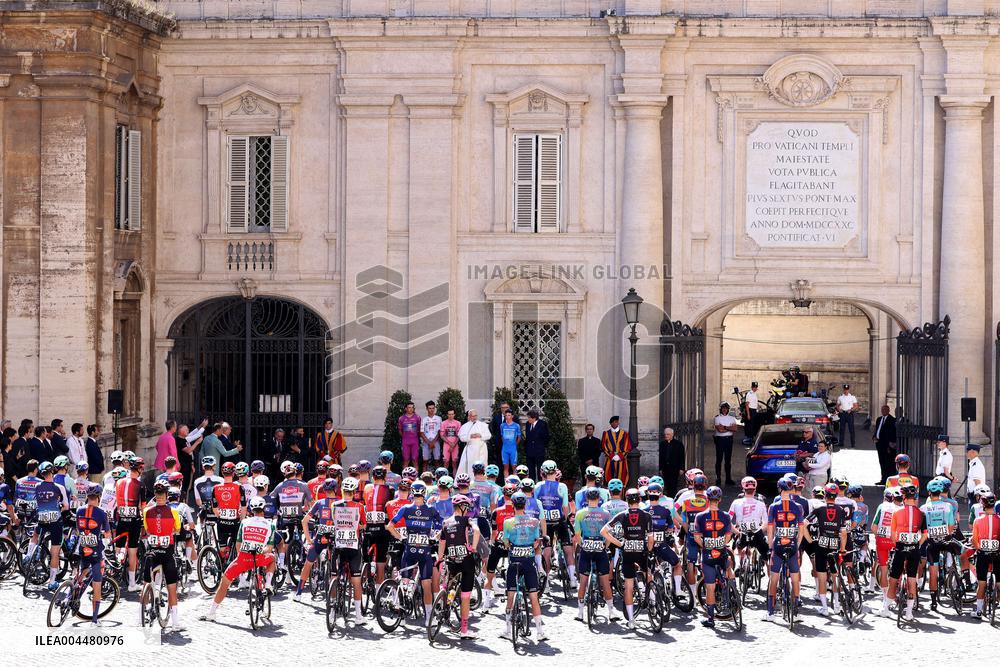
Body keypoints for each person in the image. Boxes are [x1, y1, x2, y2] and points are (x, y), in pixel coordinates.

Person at [200, 495, 276, 622]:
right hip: (259, 558)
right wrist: (261, 550)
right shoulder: (270, 525)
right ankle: (268, 585)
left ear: (251, 509)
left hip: (243, 559)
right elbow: (269, 547)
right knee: (272, 558)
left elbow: (238, 546)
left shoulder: (244, 522)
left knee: (224, 583)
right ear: (264, 509)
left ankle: (211, 612)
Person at [388, 481, 443, 625]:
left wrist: (401, 537)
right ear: (424, 493)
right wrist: (434, 538)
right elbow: (443, 526)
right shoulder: (430, 509)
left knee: (405, 582)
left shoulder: (406, 508)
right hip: (424, 552)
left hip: (409, 550)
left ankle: (401, 610)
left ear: (412, 492)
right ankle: (429, 617)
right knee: (426, 585)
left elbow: (389, 526)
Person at [602, 487, 653, 629]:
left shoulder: (622, 515)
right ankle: (654, 601)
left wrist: (619, 544)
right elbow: (650, 538)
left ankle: (631, 620)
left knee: (628, 586)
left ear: (627, 501)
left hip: (628, 552)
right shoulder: (647, 515)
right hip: (642, 551)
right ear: (640, 500)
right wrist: (649, 549)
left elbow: (604, 531)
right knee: (649, 574)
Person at [501, 492, 547, 641]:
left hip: (514, 561)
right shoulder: (534, 522)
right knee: (534, 597)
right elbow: (536, 542)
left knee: (510, 596)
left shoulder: (508, 522)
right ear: (526, 505)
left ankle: (508, 630)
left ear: (513, 505)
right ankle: (540, 632)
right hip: (529, 562)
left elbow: (506, 542)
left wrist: (511, 546)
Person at [142, 480, 184, 632]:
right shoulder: (173, 512)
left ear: (155, 495)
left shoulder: (147, 511)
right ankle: (175, 622)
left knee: (146, 582)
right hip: (167, 553)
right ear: (166, 495)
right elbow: (178, 529)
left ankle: (143, 612)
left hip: (152, 552)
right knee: (172, 587)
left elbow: (146, 530)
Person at [437, 494, 480, 639]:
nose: (467, 511)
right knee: (465, 596)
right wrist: (473, 547)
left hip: (451, 560)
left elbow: (442, 543)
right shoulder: (466, 519)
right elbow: (476, 531)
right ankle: (464, 630)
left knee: (449, 585)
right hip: (466, 562)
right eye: (467, 508)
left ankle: (445, 600)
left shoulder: (445, 522)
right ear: (462, 507)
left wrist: (439, 558)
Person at [763, 477, 806, 622]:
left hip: (778, 545)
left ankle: (770, 613)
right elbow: (801, 529)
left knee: (773, 578)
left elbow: (770, 529)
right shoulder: (798, 507)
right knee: (795, 579)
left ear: (780, 490)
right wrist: (798, 545)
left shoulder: (773, 507)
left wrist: (770, 547)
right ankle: (796, 610)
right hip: (793, 545)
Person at [803, 483, 850, 616]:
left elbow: (804, 524)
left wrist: (810, 540)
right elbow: (844, 532)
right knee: (835, 577)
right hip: (835, 545)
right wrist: (842, 549)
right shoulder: (841, 510)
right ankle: (836, 605)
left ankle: (824, 608)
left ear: (825, 494)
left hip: (821, 545)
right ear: (835, 496)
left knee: (822, 577)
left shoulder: (819, 508)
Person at [692, 485, 734, 628]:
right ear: (720, 499)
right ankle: (731, 591)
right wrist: (719, 543)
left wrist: (707, 545)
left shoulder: (700, 516)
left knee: (710, 587)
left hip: (708, 556)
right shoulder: (726, 516)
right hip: (721, 553)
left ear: (707, 499)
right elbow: (728, 537)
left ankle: (710, 619)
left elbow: (697, 538)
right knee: (729, 565)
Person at [573, 487, 618, 622]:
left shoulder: (580, 513)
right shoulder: (605, 513)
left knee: (583, 581)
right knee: (605, 581)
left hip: (586, 548)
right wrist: (605, 546)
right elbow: (609, 534)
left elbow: (577, 534)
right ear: (599, 499)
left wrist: (582, 545)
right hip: (600, 548)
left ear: (586, 499)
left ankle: (580, 612)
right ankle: (611, 611)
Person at [886, 484, 926, 620]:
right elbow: (925, 535)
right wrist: (917, 544)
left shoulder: (896, 512)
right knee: (912, 579)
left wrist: (896, 545)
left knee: (893, 578)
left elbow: (893, 534)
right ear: (914, 497)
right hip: (914, 548)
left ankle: (886, 608)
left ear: (903, 496)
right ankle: (909, 612)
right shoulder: (921, 514)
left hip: (900, 547)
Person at [75, 483, 112, 626]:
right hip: (96, 552)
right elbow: (107, 533)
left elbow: (78, 530)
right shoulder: (102, 513)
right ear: (99, 497)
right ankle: (94, 620)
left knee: (81, 574)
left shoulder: (79, 510)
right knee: (97, 585)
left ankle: (71, 594)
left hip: (83, 549)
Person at [920, 478, 958, 611]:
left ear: (929, 492)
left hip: (932, 543)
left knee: (933, 571)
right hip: (946, 540)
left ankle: (933, 602)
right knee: (960, 551)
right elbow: (951, 526)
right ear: (941, 492)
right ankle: (959, 577)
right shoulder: (948, 506)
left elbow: (922, 530)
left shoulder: (923, 508)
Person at [971, 491, 999, 619]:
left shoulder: (978, 520)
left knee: (981, 582)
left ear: (983, 504)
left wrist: (978, 549)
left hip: (983, 553)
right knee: (999, 582)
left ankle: (978, 611)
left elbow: (974, 540)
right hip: (997, 553)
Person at [457, 410, 490, 479]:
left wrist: (480, 435)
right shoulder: (465, 426)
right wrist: (470, 436)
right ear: (469, 416)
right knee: (467, 465)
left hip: (481, 449)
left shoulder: (483, 425)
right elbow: (461, 438)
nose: (474, 417)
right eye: (472, 416)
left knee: (481, 464)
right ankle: (467, 480)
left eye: (475, 416)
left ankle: (481, 481)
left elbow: (488, 436)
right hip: (470, 449)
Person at [601, 416, 633, 488]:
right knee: (608, 476)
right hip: (610, 459)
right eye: (613, 422)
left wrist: (620, 456)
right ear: (610, 423)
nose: (615, 423)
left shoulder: (625, 434)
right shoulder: (606, 433)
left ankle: (621, 496)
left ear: (618, 422)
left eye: (616, 421)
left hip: (621, 459)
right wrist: (612, 456)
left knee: (622, 477)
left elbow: (627, 446)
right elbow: (604, 446)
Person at [712, 403, 738, 486]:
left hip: (729, 440)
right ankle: (718, 478)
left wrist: (725, 427)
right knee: (719, 459)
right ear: (721, 409)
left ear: (728, 409)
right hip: (720, 440)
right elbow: (720, 430)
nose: (724, 410)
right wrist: (729, 428)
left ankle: (728, 479)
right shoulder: (717, 418)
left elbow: (735, 429)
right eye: (723, 408)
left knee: (728, 460)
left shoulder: (732, 418)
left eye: (726, 408)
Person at [872, 405, 897, 484]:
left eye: (885, 410)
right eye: (882, 410)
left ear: (888, 411)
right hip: (879, 444)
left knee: (888, 463)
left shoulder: (892, 420)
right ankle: (883, 479)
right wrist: (874, 437)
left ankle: (888, 480)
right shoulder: (879, 419)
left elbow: (892, 433)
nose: (883, 411)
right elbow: (877, 430)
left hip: (887, 445)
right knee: (881, 462)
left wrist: (890, 445)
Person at [658, 427, 685, 497]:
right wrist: (660, 468)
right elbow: (661, 457)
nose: (666, 436)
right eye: (665, 434)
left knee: (674, 485)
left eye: (668, 434)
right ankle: (668, 497)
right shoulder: (662, 444)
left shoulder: (678, 444)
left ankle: (673, 498)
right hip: (665, 468)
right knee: (666, 484)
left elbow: (682, 457)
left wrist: (682, 468)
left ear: (672, 435)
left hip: (674, 468)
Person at [522, 410, 549, 481]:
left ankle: (540, 484)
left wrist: (542, 446)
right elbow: (527, 437)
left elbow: (546, 437)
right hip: (529, 451)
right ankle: (532, 485)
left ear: (534, 418)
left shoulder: (542, 424)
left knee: (540, 469)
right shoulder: (528, 424)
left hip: (539, 451)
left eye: (529, 417)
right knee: (531, 470)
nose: (528, 419)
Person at [398, 402, 421, 471]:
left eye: (412, 407)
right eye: (409, 407)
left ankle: (416, 477)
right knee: (406, 460)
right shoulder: (401, 418)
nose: (411, 409)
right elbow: (400, 430)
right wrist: (405, 437)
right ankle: (404, 477)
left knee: (415, 459)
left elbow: (419, 429)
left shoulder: (417, 417)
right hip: (405, 441)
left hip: (415, 441)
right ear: (406, 408)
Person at [420, 401, 442, 471]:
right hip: (426, 442)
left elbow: (439, 431)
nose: (432, 410)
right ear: (427, 409)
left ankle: (438, 478)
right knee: (425, 461)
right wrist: (429, 442)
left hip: (436, 441)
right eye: (430, 408)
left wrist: (433, 442)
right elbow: (421, 432)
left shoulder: (439, 418)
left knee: (437, 460)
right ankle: (424, 477)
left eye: (433, 408)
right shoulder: (424, 419)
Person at [499, 410, 522, 478]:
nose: (507, 417)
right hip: (505, 449)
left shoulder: (516, 425)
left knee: (514, 467)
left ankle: (515, 483)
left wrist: (515, 445)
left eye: (509, 415)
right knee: (505, 467)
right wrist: (506, 444)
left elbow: (519, 437)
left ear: (512, 416)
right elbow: (502, 436)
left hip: (513, 449)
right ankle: (506, 483)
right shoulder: (502, 425)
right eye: (506, 415)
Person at [440, 409, 462, 475]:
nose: (451, 416)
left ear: (454, 415)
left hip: (455, 445)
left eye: (452, 414)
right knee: (446, 462)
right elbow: (442, 435)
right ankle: (444, 478)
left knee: (454, 462)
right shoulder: (443, 423)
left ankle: (455, 478)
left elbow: (459, 435)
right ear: (447, 415)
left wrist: (453, 444)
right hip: (446, 445)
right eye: (449, 414)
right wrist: (450, 444)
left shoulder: (458, 423)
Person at [966, 444, 987, 513]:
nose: (966, 453)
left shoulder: (976, 465)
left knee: (974, 519)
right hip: (973, 496)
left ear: (972, 451)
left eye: (967, 451)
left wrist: (978, 498)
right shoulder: (974, 463)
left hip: (975, 497)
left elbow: (977, 482)